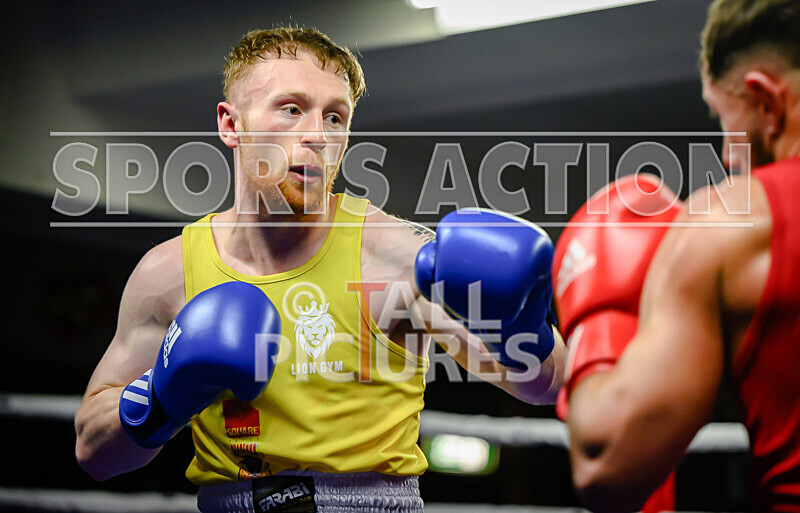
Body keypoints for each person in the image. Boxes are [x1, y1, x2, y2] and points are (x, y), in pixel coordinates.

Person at [74, 27, 567, 512]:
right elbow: (95, 454)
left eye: (335, 117)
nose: (316, 135)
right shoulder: (169, 273)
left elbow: (545, 384)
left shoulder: (396, 257)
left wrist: (520, 327)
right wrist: (160, 398)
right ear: (231, 124)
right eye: (291, 109)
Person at [553, 0, 800, 511]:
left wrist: (601, 321)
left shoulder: (735, 226)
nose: (730, 156)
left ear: (766, 100)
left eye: (725, 120)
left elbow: (605, 460)